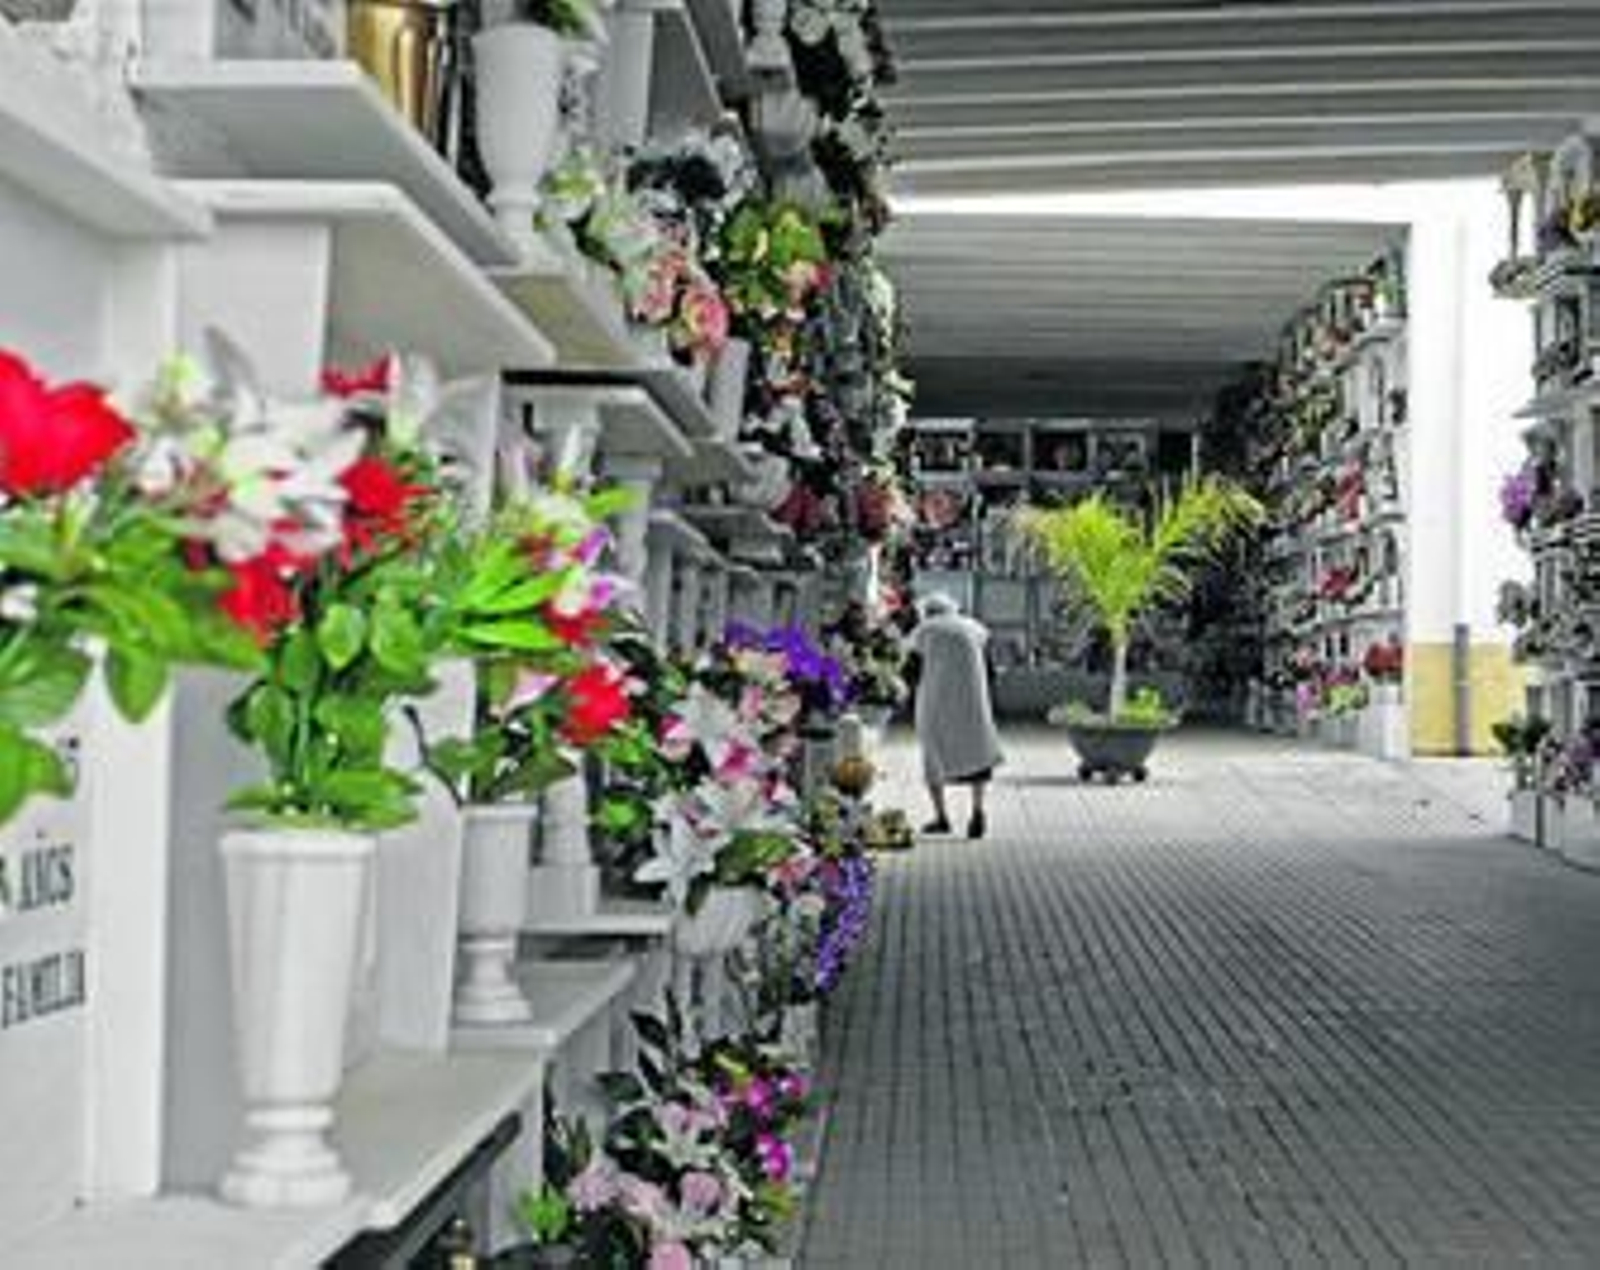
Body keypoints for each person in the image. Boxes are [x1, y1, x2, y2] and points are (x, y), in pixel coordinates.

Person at [909, 593, 1004, 838]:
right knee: (977, 756)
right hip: (973, 703)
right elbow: (991, 672)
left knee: (934, 757)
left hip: (936, 702)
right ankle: (978, 811)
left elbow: (911, 671)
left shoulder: (924, 630)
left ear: (928, 612)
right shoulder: (975, 628)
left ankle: (942, 817)